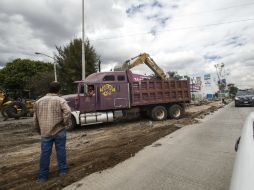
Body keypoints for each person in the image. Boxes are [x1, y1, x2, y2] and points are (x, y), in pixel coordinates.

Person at [34, 81, 71, 183]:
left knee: (45, 154)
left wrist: (39, 129)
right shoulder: (60, 100)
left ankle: (42, 176)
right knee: (61, 150)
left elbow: (35, 118)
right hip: (59, 130)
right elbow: (67, 112)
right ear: (58, 90)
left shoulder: (38, 102)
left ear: (48, 89)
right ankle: (63, 171)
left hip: (45, 132)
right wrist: (64, 123)